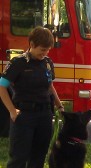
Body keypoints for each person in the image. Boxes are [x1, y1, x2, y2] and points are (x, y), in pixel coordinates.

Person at [0, 26, 64, 167]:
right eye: (42, 50)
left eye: (47, 50)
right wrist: (12, 110)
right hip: (24, 116)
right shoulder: (17, 63)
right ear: (32, 44)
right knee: (19, 158)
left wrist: (59, 105)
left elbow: (49, 86)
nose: (45, 53)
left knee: (39, 157)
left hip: (45, 115)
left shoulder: (48, 63)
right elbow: (1, 87)